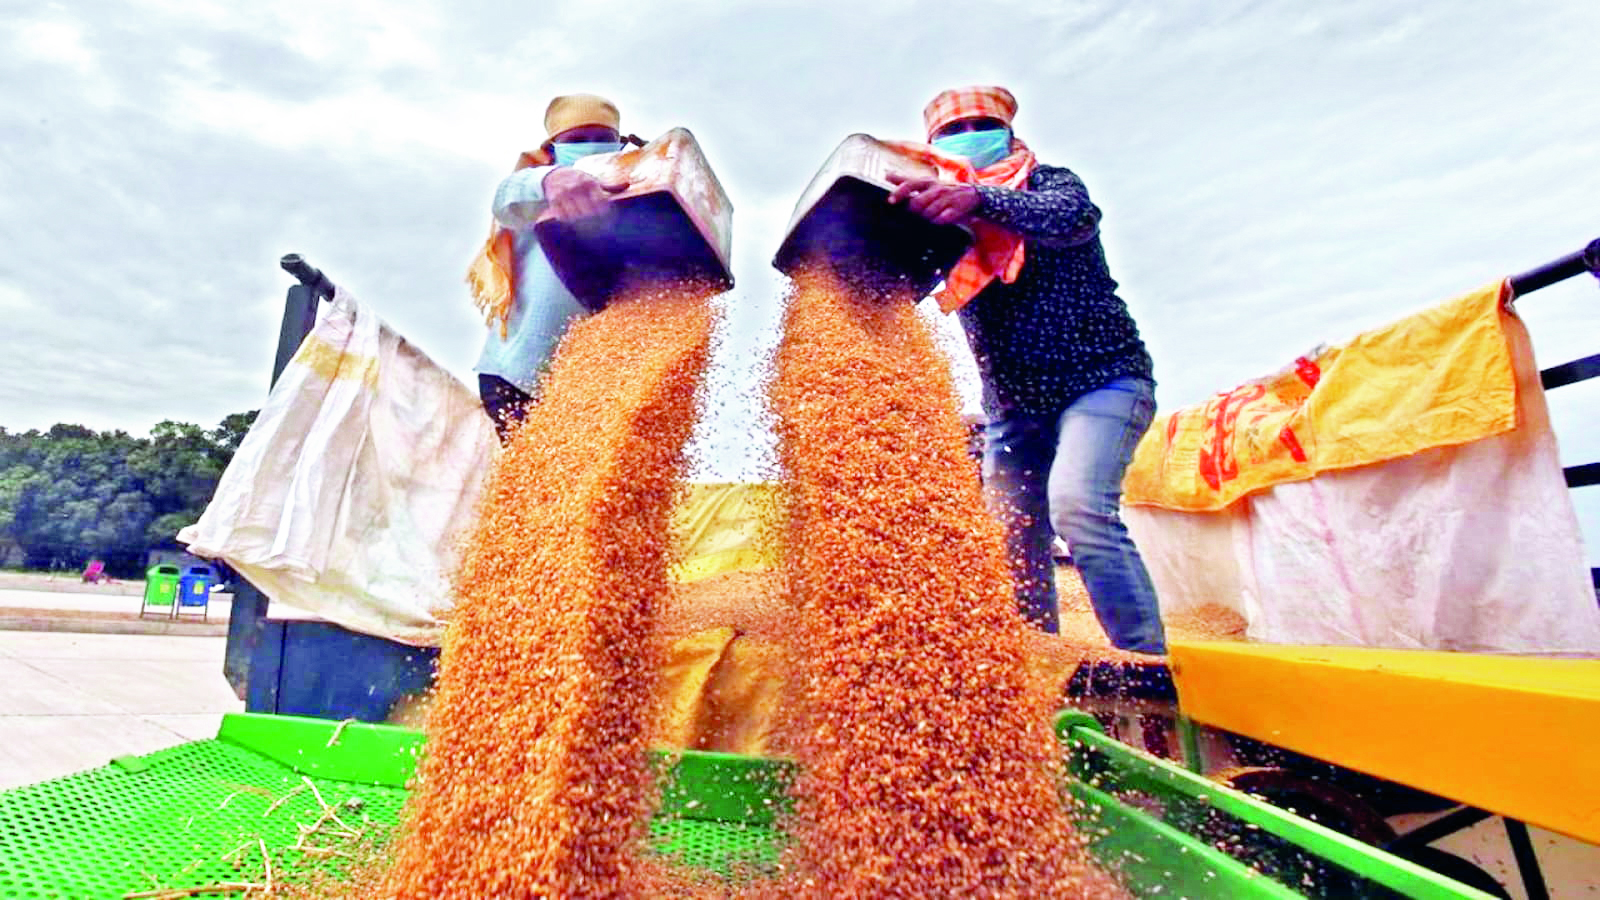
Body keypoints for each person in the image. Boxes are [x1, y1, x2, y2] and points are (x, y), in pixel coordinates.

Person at [886, 85, 1166, 654]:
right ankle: (1037, 662)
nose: (970, 137)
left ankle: (1146, 662)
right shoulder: (942, 220)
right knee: (1012, 538)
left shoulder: (1049, 184)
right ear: (933, 143)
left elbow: (1072, 218)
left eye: (982, 125)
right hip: (1013, 407)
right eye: (953, 131)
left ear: (1010, 132)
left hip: (1102, 380)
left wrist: (979, 200)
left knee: (1080, 509)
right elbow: (902, 277)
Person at [466, 93, 635, 441]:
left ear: (620, 144)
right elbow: (505, 197)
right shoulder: (535, 188)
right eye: (577, 139)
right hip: (517, 378)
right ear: (553, 148)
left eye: (602, 138)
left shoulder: (635, 190)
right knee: (532, 470)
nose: (591, 146)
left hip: (593, 388)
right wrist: (550, 180)